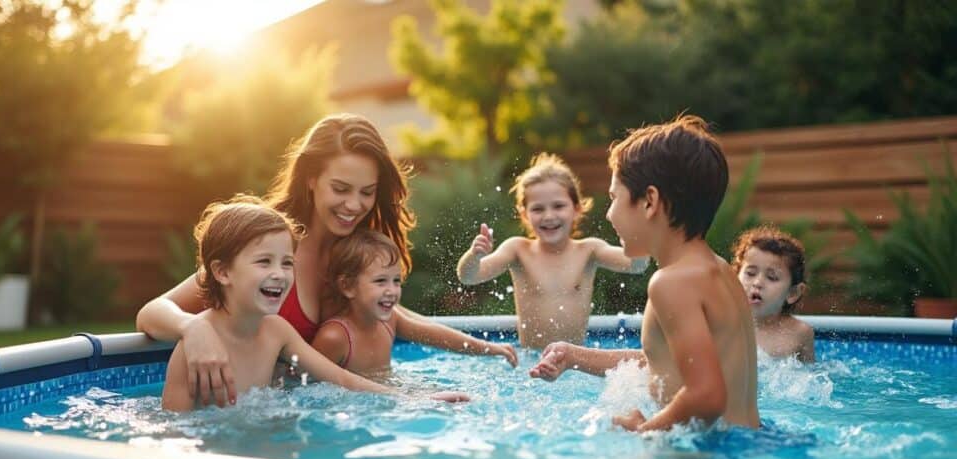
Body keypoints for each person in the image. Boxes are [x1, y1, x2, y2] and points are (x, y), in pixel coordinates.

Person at [138, 114, 418, 407]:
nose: (353, 204)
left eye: (367, 192)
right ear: (311, 178)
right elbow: (150, 313)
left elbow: (402, 320)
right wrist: (192, 328)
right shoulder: (270, 243)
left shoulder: (355, 260)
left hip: (328, 410)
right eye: (340, 188)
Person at [529, 116, 759, 431]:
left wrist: (644, 430)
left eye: (613, 198)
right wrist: (573, 356)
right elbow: (665, 362)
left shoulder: (671, 283)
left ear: (649, 201)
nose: (609, 213)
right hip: (749, 444)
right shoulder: (717, 270)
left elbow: (707, 396)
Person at [161, 196, 397, 411]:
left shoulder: (277, 331)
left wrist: (413, 400)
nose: (279, 274)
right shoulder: (196, 348)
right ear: (222, 272)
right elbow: (175, 428)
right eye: (264, 261)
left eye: (287, 263)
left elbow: (343, 379)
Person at [455, 153, 648, 349]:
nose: (549, 216)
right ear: (524, 214)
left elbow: (636, 265)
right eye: (538, 209)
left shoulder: (589, 250)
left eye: (558, 206)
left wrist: (637, 236)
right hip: (531, 362)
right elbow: (469, 277)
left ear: (577, 208)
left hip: (575, 365)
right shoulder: (518, 250)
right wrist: (474, 255)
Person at [313, 230, 518, 374]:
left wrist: (488, 347)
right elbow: (306, 385)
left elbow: (436, 336)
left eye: (396, 281)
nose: (391, 291)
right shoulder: (335, 337)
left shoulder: (389, 320)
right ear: (348, 286)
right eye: (380, 281)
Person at [731, 226, 815, 362]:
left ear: (793, 293)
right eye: (750, 273)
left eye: (772, 277)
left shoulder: (799, 333)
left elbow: (812, 378)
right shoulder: (723, 324)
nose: (757, 283)